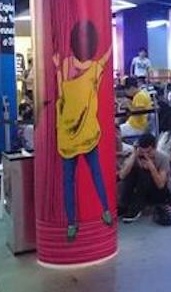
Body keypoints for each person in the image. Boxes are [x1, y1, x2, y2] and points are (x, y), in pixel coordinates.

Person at [53, 21, 113, 241]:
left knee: (75, 178)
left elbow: (61, 96)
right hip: (80, 133)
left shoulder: (69, 66)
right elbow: (62, 94)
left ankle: (76, 222)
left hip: (74, 134)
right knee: (87, 174)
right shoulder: (90, 67)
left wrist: (57, 68)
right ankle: (100, 212)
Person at [118, 134, 171, 225]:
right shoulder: (136, 155)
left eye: (149, 152)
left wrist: (152, 168)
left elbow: (161, 185)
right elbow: (122, 175)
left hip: (160, 192)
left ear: (155, 148)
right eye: (143, 152)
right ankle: (124, 205)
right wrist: (134, 155)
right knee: (131, 171)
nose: (146, 155)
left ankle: (136, 208)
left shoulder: (163, 158)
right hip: (142, 190)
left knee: (145, 173)